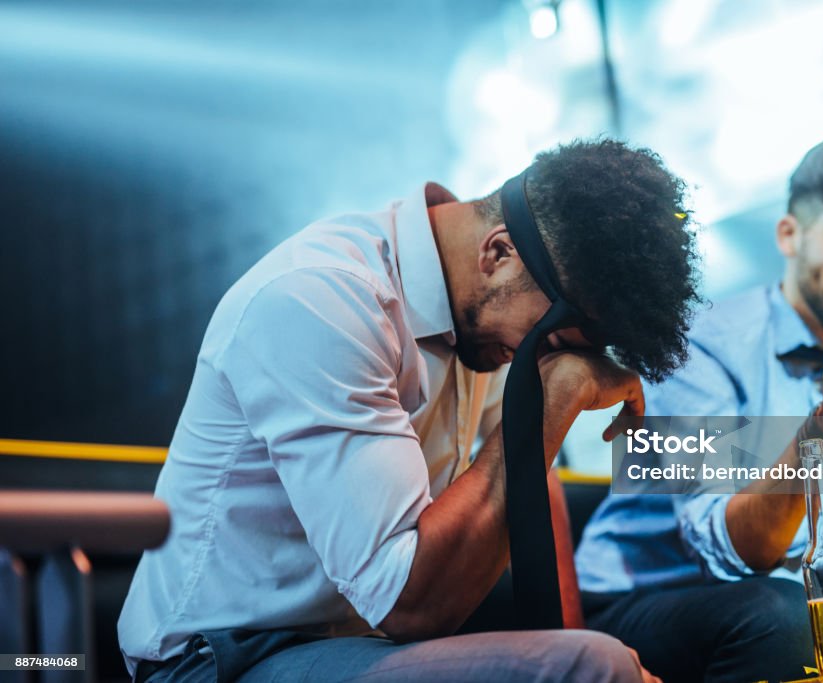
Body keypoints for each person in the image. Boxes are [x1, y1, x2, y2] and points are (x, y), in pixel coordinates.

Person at [118, 139, 701, 682]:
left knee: (611, 654)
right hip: (220, 658)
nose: (552, 359)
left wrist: (566, 635)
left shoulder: (481, 306)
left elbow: (532, 472)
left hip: (355, 635)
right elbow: (408, 602)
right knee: (605, 664)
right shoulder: (321, 301)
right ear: (497, 252)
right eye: (552, 338)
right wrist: (556, 400)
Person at [575, 136, 823, 683]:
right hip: (659, 600)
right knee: (783, 619)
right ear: (789, 235)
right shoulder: (698, 348)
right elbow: (739, 551)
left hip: (819, 596)